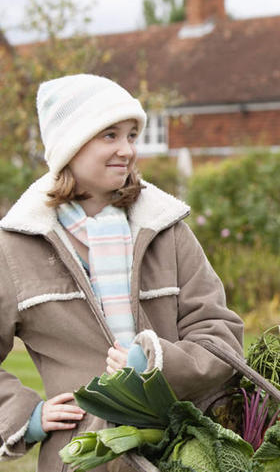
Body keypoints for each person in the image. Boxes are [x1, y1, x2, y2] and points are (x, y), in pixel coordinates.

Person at [0, 74, 244, 471]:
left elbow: (221, 337)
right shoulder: (17, 246)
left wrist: (153, 363)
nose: (127, 150)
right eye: (110, 135)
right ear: (70, 146)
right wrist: (23, 416)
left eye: (132, 135)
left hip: (183, 452)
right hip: (83, 460)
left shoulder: (168, 231)